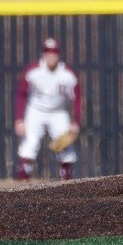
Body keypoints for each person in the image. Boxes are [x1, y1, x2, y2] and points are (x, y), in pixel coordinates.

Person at [15, 35, 82, 180]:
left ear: (58, 54)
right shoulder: (33, 71)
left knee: (65, 145)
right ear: (43, 54)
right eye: (47, 52)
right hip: (36, 110)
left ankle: (67, 180)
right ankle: (22, 179)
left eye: (54, 52)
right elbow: (21, 94)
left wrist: (75, 121)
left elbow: (77, 98)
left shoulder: (68, 74)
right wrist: (19, 119)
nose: (51, 55)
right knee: (30, 143)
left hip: (58, 112)